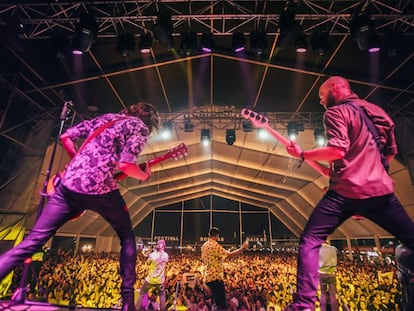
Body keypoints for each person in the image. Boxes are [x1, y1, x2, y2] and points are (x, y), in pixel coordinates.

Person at [0, 102, 159, 311]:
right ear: (149, 121)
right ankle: (128, 301)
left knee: (32, 241)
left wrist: (78, 163)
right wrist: (144, 175)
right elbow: (126, 165)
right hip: (100, 189)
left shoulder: (105, 117)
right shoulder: (139, 127)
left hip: (69, 186)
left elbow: (66, 136)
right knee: (127, 237)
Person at [283, 76, 414, 311]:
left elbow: (337, 149)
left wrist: (303, 155)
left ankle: (303, 305)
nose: (321, 102)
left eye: (322, 96)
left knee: (310, 241)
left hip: (346, 193)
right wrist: (374, 170)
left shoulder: (335, 112)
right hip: (380, 192)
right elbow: (391, 153)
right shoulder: (378, 112)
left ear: (335, 89)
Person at [201, 227, 248, 310]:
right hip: (216, 279)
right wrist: (243, 248)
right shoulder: (215, 245)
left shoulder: (204, 246)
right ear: (217, 236)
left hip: (208, 278)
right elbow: (229, 255)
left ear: (209, 235)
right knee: (221, 305)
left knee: (215, 303)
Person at [136, 239, 169, 311]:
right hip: (160, 280)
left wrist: (151, 253)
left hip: (150, 280)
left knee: (141, 294)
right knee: (162, 296)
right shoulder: (166, 255)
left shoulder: (153, 255)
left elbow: (148, 263)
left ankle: (136, 309)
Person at [318, 241, 338, 311]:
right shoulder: (333, 248)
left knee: (323, 293)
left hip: (322, 273)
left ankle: (323, 309)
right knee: (332, 294)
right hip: (331, 273)